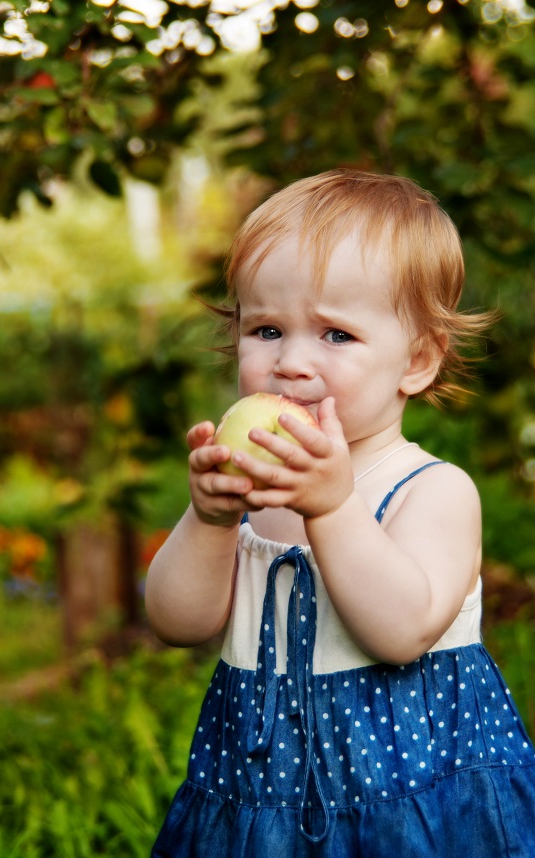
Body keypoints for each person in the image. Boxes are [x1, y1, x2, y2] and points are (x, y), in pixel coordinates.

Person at [146, 169, 535, 856]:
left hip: (408, 800)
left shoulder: (433, 491)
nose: (291, 362)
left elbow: (401, 632)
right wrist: (208, 521)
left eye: (335, 336)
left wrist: (332, 507)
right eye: (267, 329)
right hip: (259, 799)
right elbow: (178, 622)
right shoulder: (252, 491)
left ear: (415, 361)